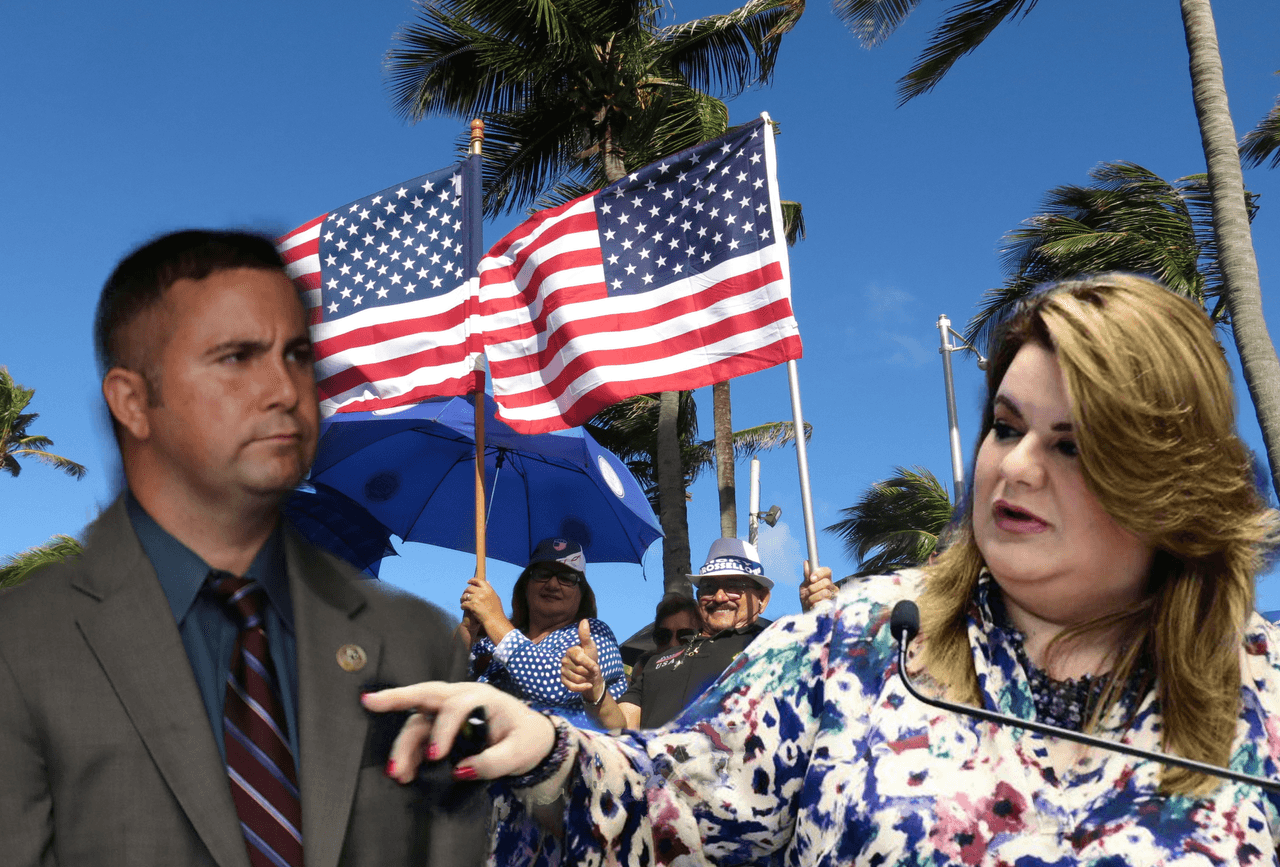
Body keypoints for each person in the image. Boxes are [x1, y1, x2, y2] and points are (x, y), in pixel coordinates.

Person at [365, 273, 1280, 865]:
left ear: (1166, 478)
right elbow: (670, 797)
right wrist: (551, 753)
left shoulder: (1264, 685)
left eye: (1073, 445)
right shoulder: (863, 639)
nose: (1016, 466)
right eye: (1005, 425)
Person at [0, 231, 487, 867]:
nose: (286, 391)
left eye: (296, 357)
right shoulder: (26, 649)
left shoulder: (419, 645)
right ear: (132, 402)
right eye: (235, 358)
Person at [565, 539, 836, 730]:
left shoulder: (773, 645)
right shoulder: (657, 662)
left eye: (734, 585)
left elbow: (825, 681)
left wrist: (821, 620)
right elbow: (621, 725)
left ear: (762, 599)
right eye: (708, 586)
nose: (719, 596)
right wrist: (595, 688)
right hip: (661, 801)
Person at [459, 537, 628, 727]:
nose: (553, 585)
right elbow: (446, 679)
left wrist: (494, 619)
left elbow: (555, 685)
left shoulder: (595, 634)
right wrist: (468, 628)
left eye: (567, 578)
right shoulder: (493, 642)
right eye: (542, 574)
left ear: (582, 593)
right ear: (526, 585)